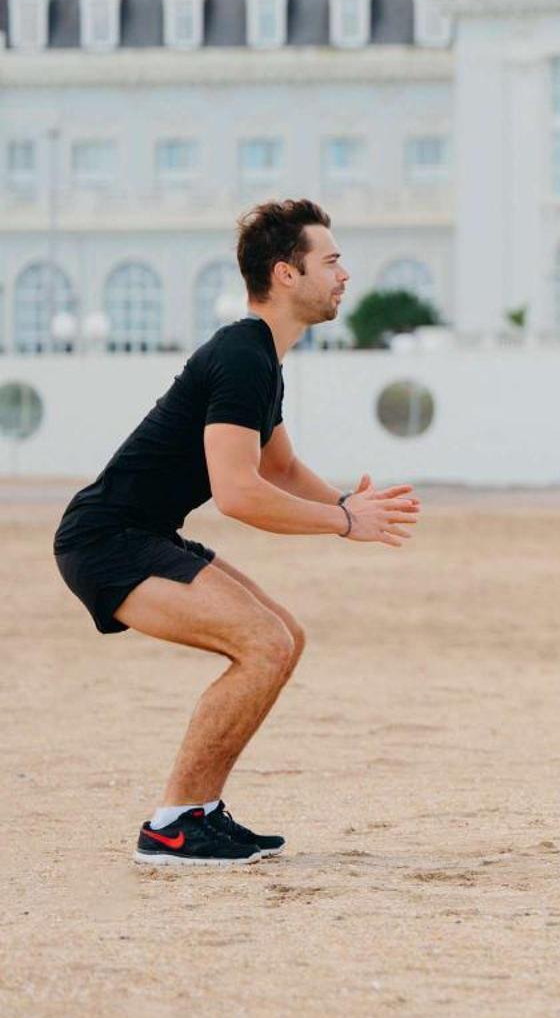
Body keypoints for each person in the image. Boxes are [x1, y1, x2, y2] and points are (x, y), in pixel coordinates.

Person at [53, 199, 421, 866]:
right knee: (263, 643)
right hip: (104, 540)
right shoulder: (243, 355)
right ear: (286, 274)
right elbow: (239, 493)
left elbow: (278, 467)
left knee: (286, 638)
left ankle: (199, 812)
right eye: (331, 260)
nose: (344, 274)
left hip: (139, 532)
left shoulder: (261, 359)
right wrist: (344, 521)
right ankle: (170, 826)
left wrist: (344, 504)